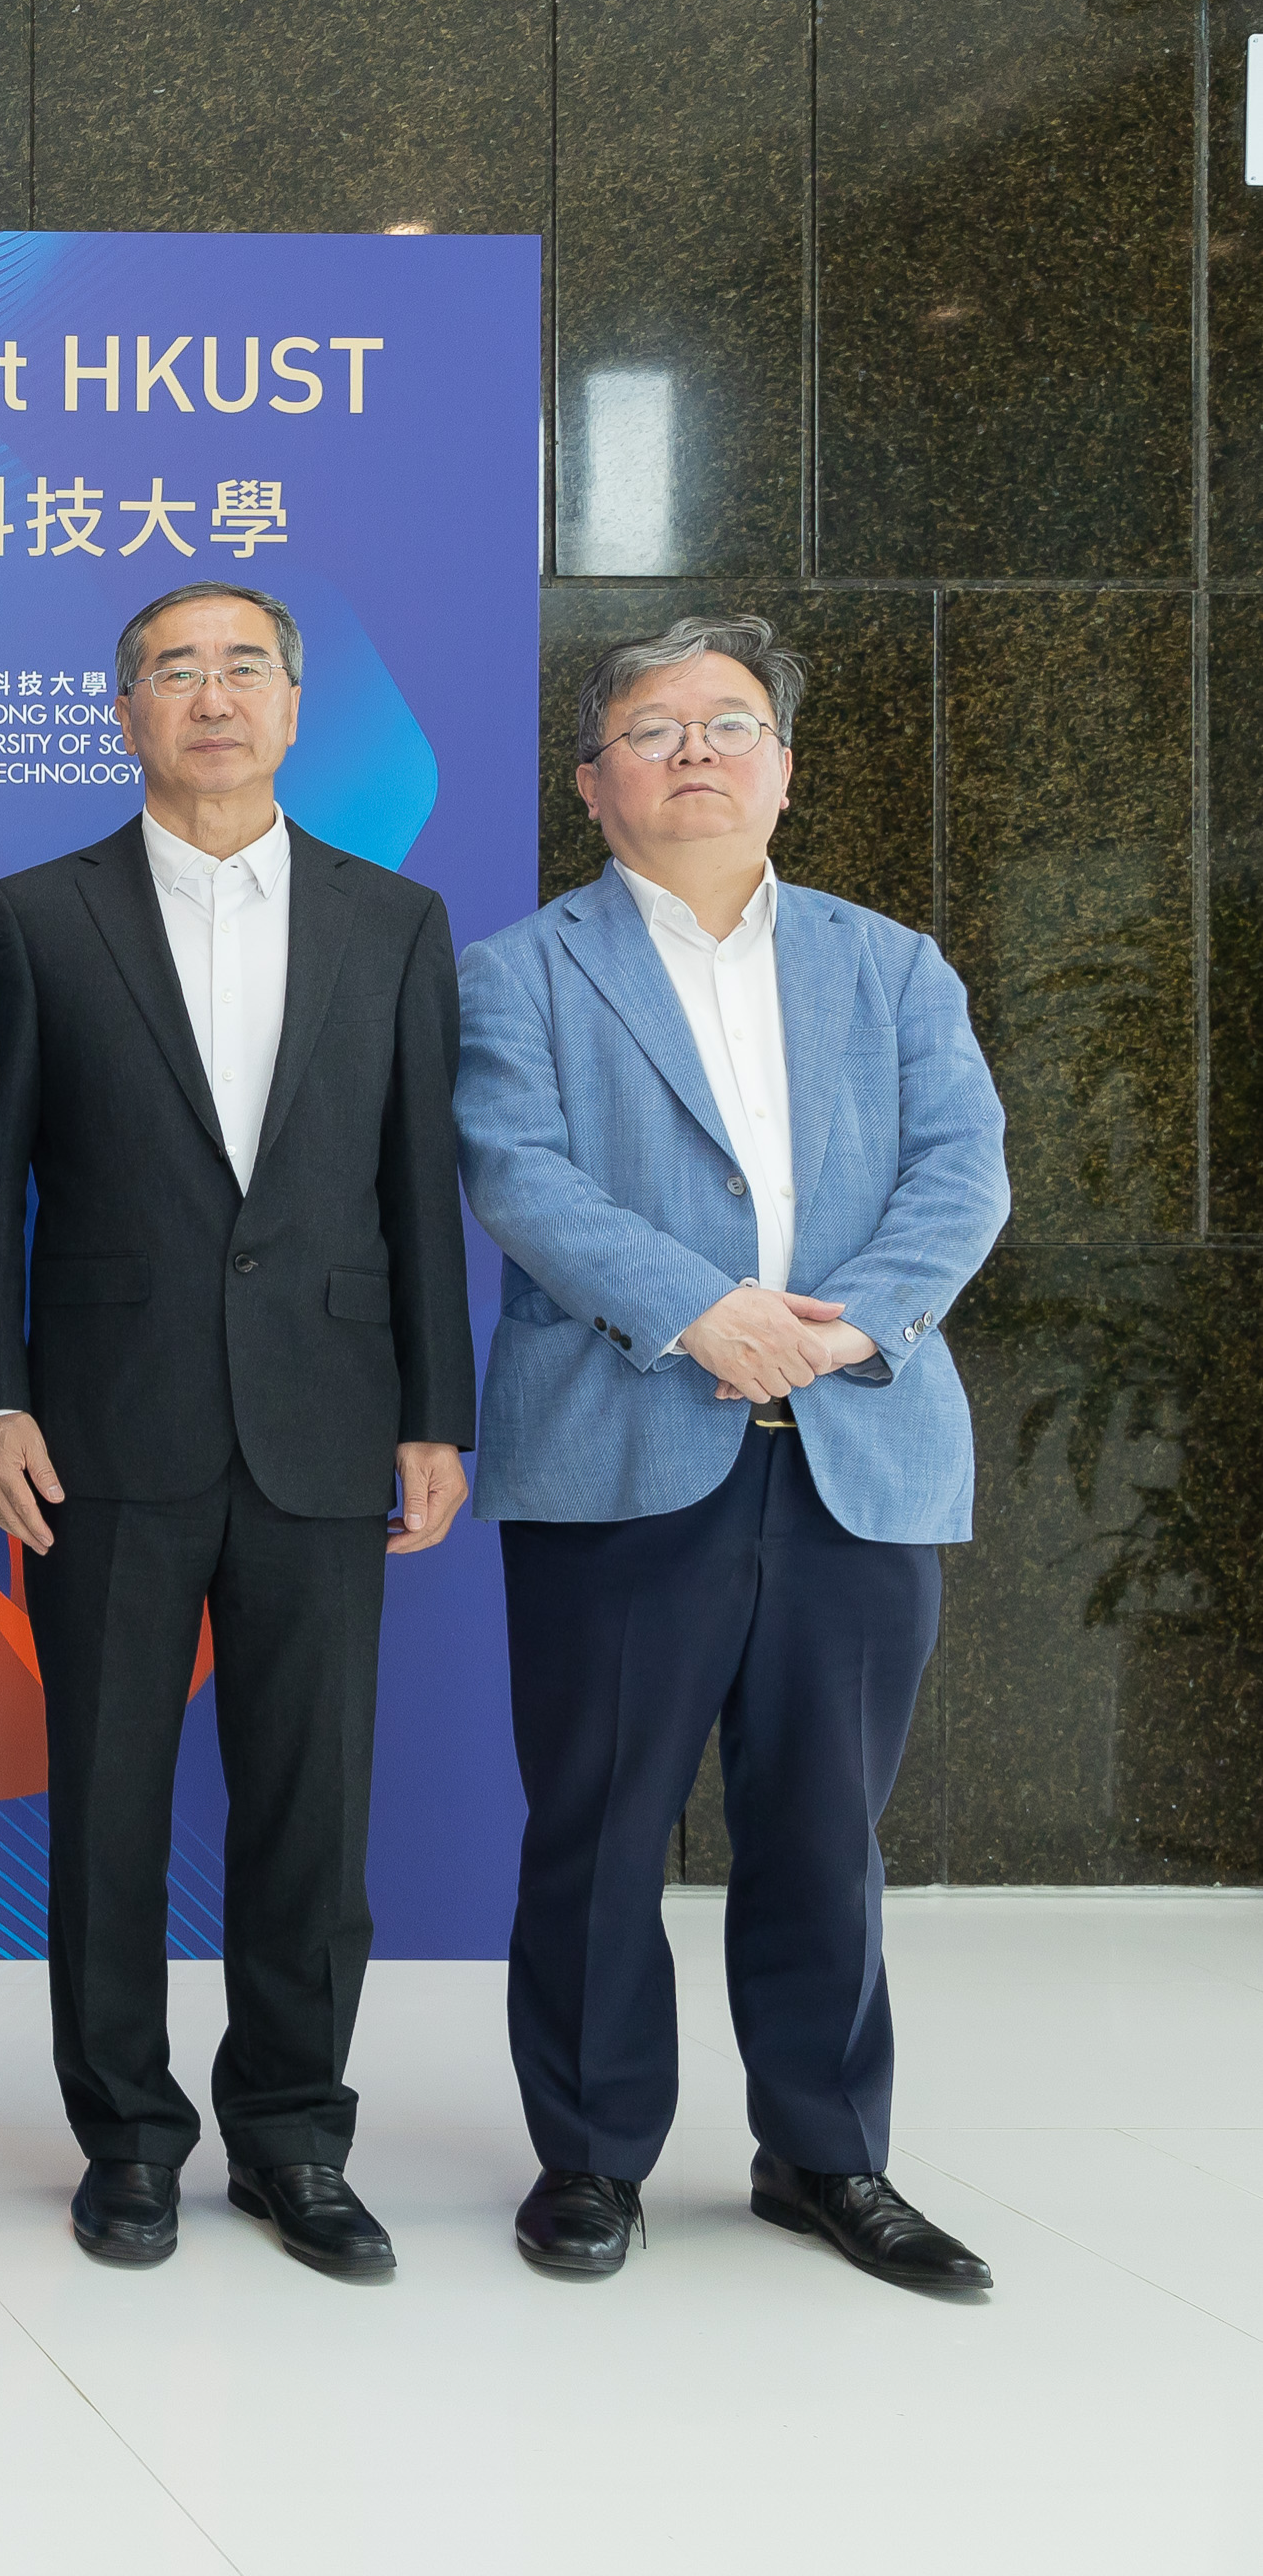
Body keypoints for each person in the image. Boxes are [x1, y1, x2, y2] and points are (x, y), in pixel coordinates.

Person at [456, 614, 1008, 2294]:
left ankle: (828, 2156)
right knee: (602, 1826)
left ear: (784, 765)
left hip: (855, 1448)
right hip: (625, 1444)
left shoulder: (893, 964)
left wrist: (841, 1330)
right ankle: (593, 2157)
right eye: (655, 726)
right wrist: (702, 1310)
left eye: (732, 722)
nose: (696, 748)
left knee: (828, 1827)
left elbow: (962, 1173)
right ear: (592, 782)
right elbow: (519, 1173)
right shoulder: (518, 970)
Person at [0, 582, 472, 2283]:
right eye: (173, 670)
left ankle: (294, 2140)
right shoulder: (34, 917)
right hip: (102, 1429)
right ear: (125, 711)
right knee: (106, 1809)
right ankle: (126, 2137)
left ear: (294, 701)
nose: (211, 696)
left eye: (242, 666)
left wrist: (435, 1413)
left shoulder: (391, 922)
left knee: (311, 1814)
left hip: (330, 1428)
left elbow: (418, 1190)